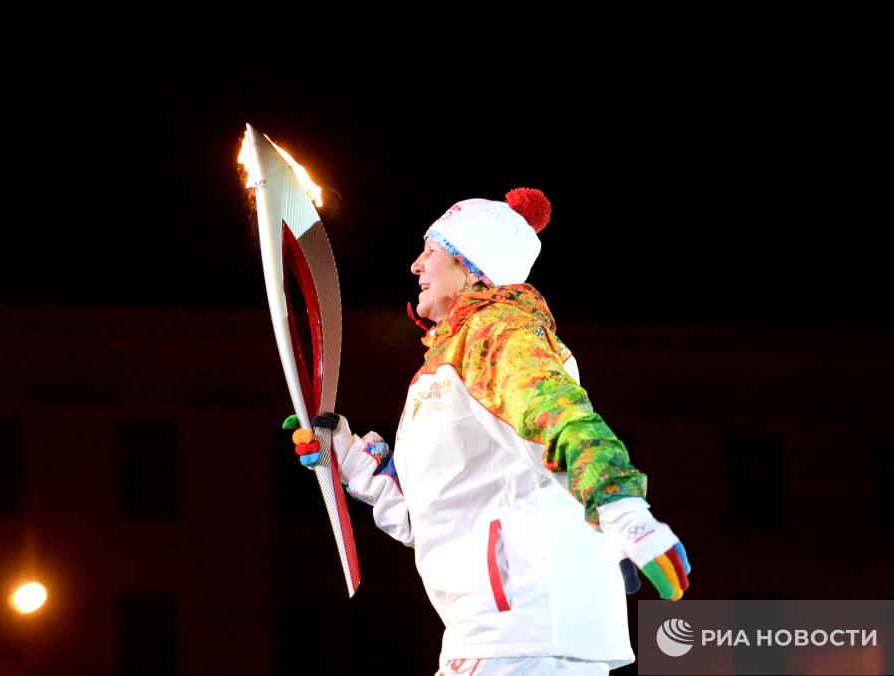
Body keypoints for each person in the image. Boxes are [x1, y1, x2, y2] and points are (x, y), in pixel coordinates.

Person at [289, 188, 690, 675]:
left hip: (523, 629)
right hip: (504, 630)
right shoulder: (450, 358)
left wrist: (626, 514)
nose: (416, 265)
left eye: (431, 250)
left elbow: (562, 417)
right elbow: (441, 511)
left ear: (470, 265)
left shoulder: (497, 334)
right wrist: (349, 459)